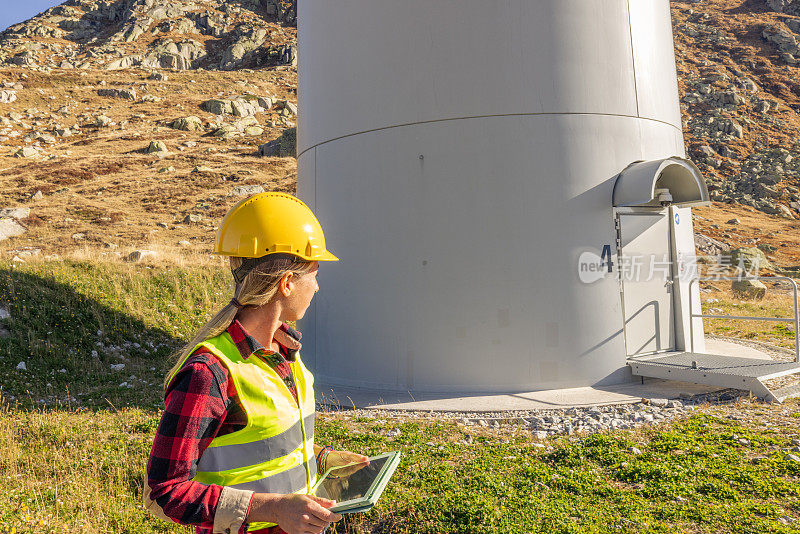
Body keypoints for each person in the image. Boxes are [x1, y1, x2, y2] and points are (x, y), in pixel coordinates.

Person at [145, 192, 368, 534]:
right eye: (315, 273)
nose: (318, 287)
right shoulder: (209, 372)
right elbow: (164, 492)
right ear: (287, 283)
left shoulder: (286, 353)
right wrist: (273, 509)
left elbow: (267, 448)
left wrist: (322, 460)